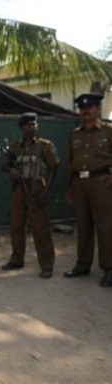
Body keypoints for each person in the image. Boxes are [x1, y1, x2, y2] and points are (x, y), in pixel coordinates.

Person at [0, 112, 59, 279]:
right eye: (28, 125)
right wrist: (11, 170)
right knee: (17, 226)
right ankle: (17, 259)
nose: (31, 127)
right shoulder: (15, 146)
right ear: (21, 128)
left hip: (37, 187)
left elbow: (54, 168)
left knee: (41, 228)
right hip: (19, 188)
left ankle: (47, 265)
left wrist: (46, 191)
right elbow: (4, 163)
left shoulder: (45, 146)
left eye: (34, 124)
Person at [63, 93, 112, 287]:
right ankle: (82, 265)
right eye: (82, 108)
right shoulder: (74, 134)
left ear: (98, 109)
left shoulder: (108, 132)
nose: (85, 111)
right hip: (79, 185)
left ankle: (109, 269)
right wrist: (68, 187)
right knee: (83, 227)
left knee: (105, 227)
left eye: (90, 107)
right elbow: (69, 163)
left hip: (102, 183)